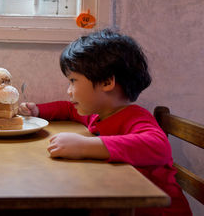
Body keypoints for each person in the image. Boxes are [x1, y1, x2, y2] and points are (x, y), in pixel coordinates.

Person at [19, 29, 192, 216]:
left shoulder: (134, 117)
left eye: (73, 81)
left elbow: (159, 146)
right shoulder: (98, 114)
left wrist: (84, 145)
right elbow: (68, 109)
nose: (69, 91)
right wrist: (38, 110)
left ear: (107, 82)